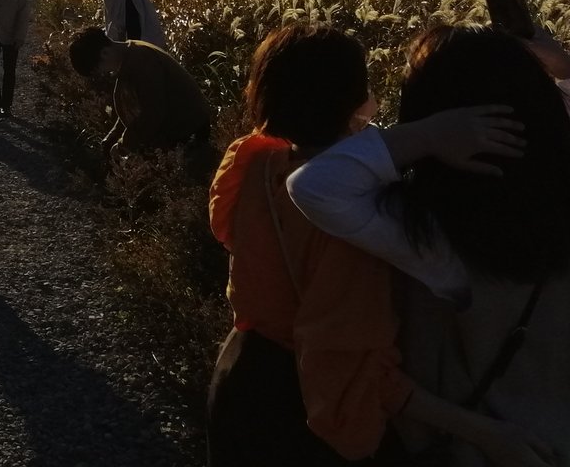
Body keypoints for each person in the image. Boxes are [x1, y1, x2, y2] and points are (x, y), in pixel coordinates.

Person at [207, 23, 530, 467]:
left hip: (238, 376)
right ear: (358, 97)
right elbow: (362, 376)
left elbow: (228, 234)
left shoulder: (254, 159)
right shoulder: (351, 221)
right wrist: (489, 435)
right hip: (302, 416)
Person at [288, 24, 570, 466]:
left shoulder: (436, 236)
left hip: (501, 449)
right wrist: (564, 71)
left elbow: (314, 186)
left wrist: (427, 136)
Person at [68, 27, 211, 159]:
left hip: (189, 132)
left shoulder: (141, 61)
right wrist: (112, 138)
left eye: (99, 69)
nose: (102, 73)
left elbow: (153, 113)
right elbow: (132, 108)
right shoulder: (128, 55)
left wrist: (123, 146)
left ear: (104, 53)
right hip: (176, 130)